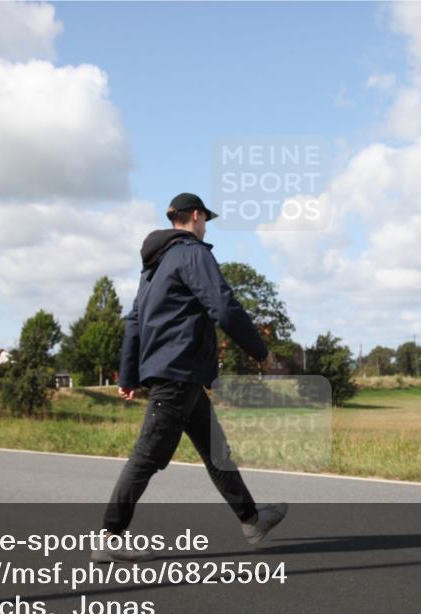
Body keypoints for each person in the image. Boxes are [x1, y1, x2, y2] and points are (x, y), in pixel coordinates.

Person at [92, 193, 288, 563]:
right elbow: (223, 306)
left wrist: (130, 373)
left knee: (217, 451)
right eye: (204, 220)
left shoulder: (154, 266)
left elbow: (134, 321)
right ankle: (110, 536)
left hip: (181, 374)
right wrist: (262, 353)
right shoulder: (193, 253)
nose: (204, 227)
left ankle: (251, 520)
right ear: (196, 216)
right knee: (146, 456)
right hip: (177, 373)